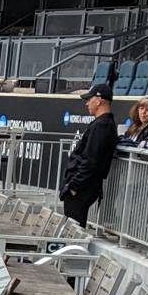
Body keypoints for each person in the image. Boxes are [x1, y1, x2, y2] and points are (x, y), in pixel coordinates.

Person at [60, 85, 116, 227]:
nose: (86, 103)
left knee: (73, 229)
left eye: (89, 99)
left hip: (83, 187)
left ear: (98, 101)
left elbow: (91, 160)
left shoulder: (103, 125)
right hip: (82, 185)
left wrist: (75, 186)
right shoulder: (101, 123)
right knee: (71, 228)